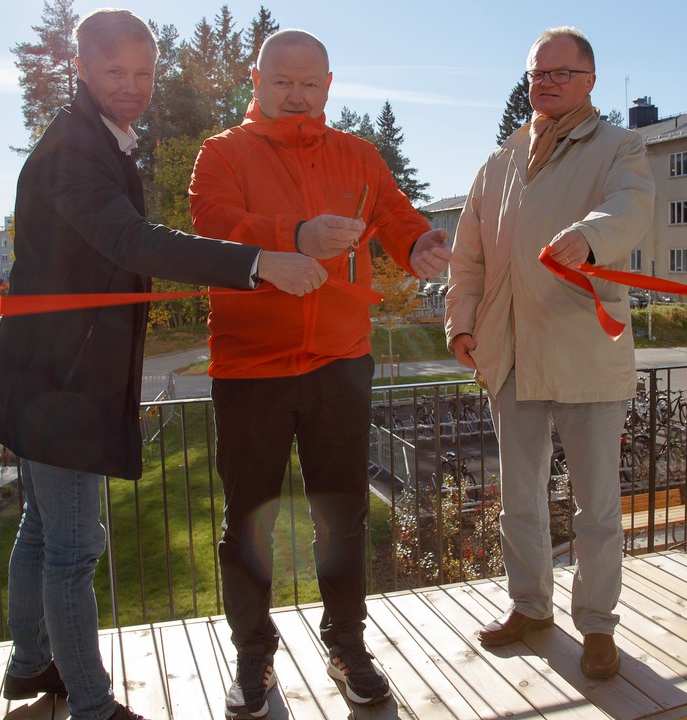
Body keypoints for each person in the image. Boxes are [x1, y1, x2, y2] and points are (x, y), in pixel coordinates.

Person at [0, 11, 326, 720]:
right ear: (81, 69)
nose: (133, 87)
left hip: (47, 375)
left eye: (143, 73)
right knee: (75, 546)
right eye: (116, 72)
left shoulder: (96, 141)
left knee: (43, 531)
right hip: (62, 384)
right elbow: (129, 239)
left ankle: (27, 665)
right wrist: (256, 262)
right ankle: (90, 702)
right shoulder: (76, 149)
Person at [188, 29, 451, 717]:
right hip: (250, 368)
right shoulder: (223, 152)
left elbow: (392, 216)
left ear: (330, 86)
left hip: (341, 362)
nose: (296, 94)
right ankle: (253, 660)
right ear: (257, 79)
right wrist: (294, 234)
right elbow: (212, 223)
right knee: (248, 521)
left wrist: (419, 241)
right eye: (283, 81)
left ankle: (348, 646)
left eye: (309, 82)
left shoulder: (358, 155)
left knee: (344, 514)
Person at [444, 27, 654, 680]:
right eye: (538, 74)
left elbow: (633, 206)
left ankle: (597, 627)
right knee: (521, 502)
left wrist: (590, 238)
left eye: (561, 73)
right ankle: (531, 608)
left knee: (596, 509)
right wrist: (459, 324)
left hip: (586, 353)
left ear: (590, 80)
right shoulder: (499, 162)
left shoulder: (622, 147)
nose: (547, 83)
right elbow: (468, 256)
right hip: (511, 356)